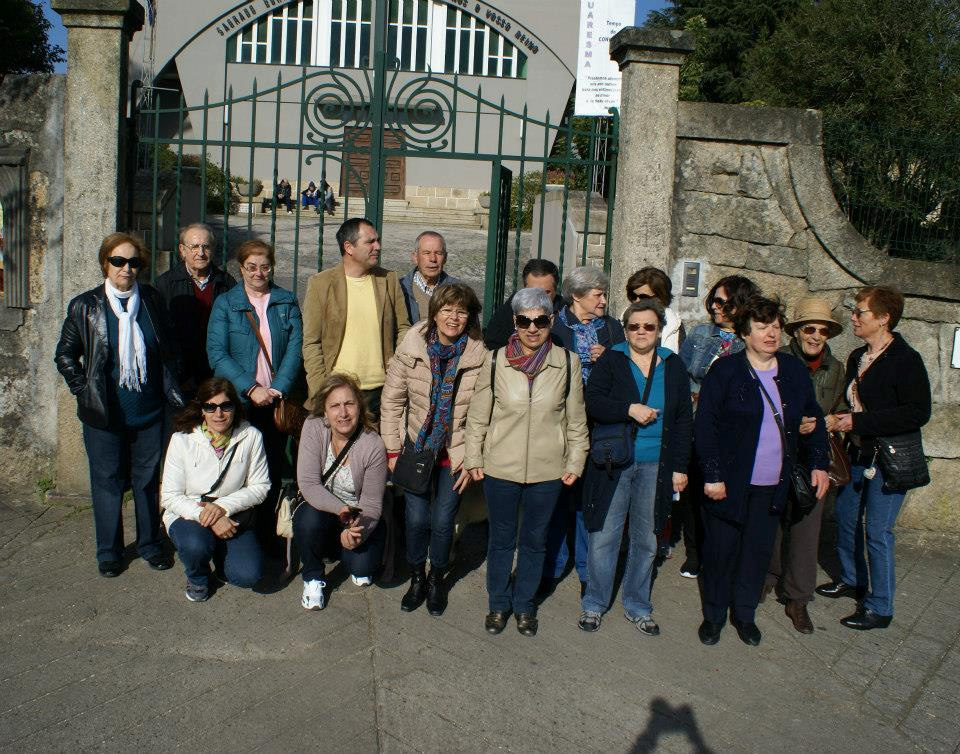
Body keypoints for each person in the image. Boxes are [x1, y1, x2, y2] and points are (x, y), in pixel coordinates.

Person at [695, 296, 830, 646]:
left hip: (772, 484)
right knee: (721, 552)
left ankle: (744, 615)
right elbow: (705, 428)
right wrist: (712, 475)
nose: (771, 333)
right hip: (729, 482)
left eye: (775, 326)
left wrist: (819, 464)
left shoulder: (794, 371)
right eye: (761, 327)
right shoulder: (725, 372)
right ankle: (713, 616)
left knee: (755, 553)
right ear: (744, 333)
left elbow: (813, 420)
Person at [54, 232, 184, 577]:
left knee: (146, 481)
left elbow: (170, 353)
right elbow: (65, 356)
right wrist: (85, 391)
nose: (127, 268)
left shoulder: (153, 301)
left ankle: (150, 544)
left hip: (149, 412)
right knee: (107, 482)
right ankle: (109, 551)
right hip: (105, 416)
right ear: (105, 263)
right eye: (118, 261)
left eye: (134, 262)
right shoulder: (85, 306)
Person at [464, 287, 589, 637]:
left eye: (540, 320)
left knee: (535, 541)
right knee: (501, 540)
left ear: (551, 320)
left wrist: (575, 462)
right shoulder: (496, 360)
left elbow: (576, 421)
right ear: (514, 322)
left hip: (548, 469)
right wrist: (474, 455)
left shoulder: (567, 363)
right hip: (500, 466)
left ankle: (524, 606)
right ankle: (498, 605)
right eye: (524, 320)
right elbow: (478, 416)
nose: (532, 328)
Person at [817, 285, 931, 630]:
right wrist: (838, 420)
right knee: (847, 519)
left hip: (888, 459)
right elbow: (851, 400)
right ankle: (852, 579)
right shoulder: (856, 356)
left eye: (860, 312)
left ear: (883, 318)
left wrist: (857, 421)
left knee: (878, 532)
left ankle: (880, 606)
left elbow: (917, 412)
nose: (853, 317)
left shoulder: (905, 360)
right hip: (857, 454)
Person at [578, 299, 692, 635]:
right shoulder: (612, 360)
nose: (641, 332)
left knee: (646, 538)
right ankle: (594, 603)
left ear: (659, 331)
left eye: (649, 326)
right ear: (625, 329)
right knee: (604, 535)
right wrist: (629, 408)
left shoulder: (673, 366)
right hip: (614, 461)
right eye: (634, 326)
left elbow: (684, 419)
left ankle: (637, 604)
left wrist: (680, 466)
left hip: (658, 464)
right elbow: (593, 402)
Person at [381, 283, 487, 615]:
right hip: (415, 449)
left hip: (453, 456)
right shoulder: (411, 349)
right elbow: (392, 401)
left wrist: (472, 459)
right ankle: (416, 577)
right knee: (415, 520)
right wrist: (393, 451)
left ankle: (437, 578)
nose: (453, 317)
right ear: (434, 313)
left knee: (443, 522)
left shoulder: (478, 357)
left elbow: (483, 414)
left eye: (461, 311)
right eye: (447, 310)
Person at [207, 239, 303, 538]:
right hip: (241, 401)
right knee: (239, 466)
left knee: (273, 467)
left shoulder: (286, 301)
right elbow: (217, 352)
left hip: (276, 401)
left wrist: (277, 387)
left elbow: (295, 349)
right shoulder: (226, 303)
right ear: (241, 268)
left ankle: (270, 531)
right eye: (251, 267)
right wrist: (251, 388)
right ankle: (240, 529)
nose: (258, 273)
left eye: (264, 267)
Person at [764, 297, 846, 634]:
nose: (815, 336)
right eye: (809, 329)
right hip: (777, 449)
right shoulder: (777, 360)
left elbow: (840, 408)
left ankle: (798, 597)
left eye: (822, 331)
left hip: (814, 456)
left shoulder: (836, 368)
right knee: (771, 518)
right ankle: (766, 577)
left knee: (808, 526)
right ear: (796, 330)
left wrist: (827, 421)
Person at [543, 265, 625, 593]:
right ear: (577, 296)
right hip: (561, 424)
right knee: (558, 495)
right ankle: (553, 564)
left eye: (604, 294)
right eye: (598, 294)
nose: (604, 300)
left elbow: (630, 370)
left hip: (600, 427)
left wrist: (610, 358)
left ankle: (586, 570)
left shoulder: (613, 329)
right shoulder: (555, 326)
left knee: (588, 500)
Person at [676, 274, 759, 579]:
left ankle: (721, 551)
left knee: (725, 491)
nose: (715, 307)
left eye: (724, 302)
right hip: (695, 421)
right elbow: (680, 375)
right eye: (714, 299)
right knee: (694, 493)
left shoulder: (748, 343)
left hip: (728, 428)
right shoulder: (700, 335)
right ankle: (695, 553)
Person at [161, 378, 270, 602]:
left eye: (225, 406)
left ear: (235, 407)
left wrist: (222, 508)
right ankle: (198, 577)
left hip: (232, 510)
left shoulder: (251, 436)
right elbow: (170, 496)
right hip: (190, 511)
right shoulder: (182, 440)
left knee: (248, 575)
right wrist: (208, 516)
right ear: (202, 410)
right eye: (210, 407)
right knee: (195, 545)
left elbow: (261, 487)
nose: (218, 413)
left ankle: (222, 559)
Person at [294, 373, 388, 610]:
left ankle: (344, 548)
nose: (343, 413)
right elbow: (308, 483)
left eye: (349, 403)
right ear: (324, 412)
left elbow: (372, 504)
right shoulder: (314, 427)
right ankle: (313, 577)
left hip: (357, 514)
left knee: (362, 567)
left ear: (360, 405)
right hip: (324, 508)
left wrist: (357, 533)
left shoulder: (372, 444)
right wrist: (339, 509)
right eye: (335, 405)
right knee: (307, 519)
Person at [302, 217, 410, 418]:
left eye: (377, 240)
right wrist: (321, 389)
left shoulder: (388, 279)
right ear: (349, 247)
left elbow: (403, 327)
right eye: (370, 242)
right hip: (337, 393)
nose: (377, 246)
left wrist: (397, 364)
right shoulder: (320, 284)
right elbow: (311, 342)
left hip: (382, 393)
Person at [154, 224, 236, 393]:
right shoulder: (165, 284)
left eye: (206, 247)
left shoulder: (227, 283)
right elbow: (160, 335)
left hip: (217, 374)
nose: (201, 253)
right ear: (182, 250)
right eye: (194, 247)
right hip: (181, 376)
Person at [484, 258, 563, 351]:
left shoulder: (567, 312)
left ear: (555, 289)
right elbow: (493, 343)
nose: (539, 297)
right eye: (532, 292)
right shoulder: (510, 308)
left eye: (546, 292)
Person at [399, 230, 459, 325]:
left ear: (445, 258)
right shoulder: (400, 288)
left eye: (438, 253)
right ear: (415, 257)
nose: (433, 259)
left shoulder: (458, 289)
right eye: (426, 253)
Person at [624, 267, 685, 353]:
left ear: (661, 297)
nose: (637, 301)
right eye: (633, 296)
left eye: (643, 297)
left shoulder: (674, 325)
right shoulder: (620, 324)